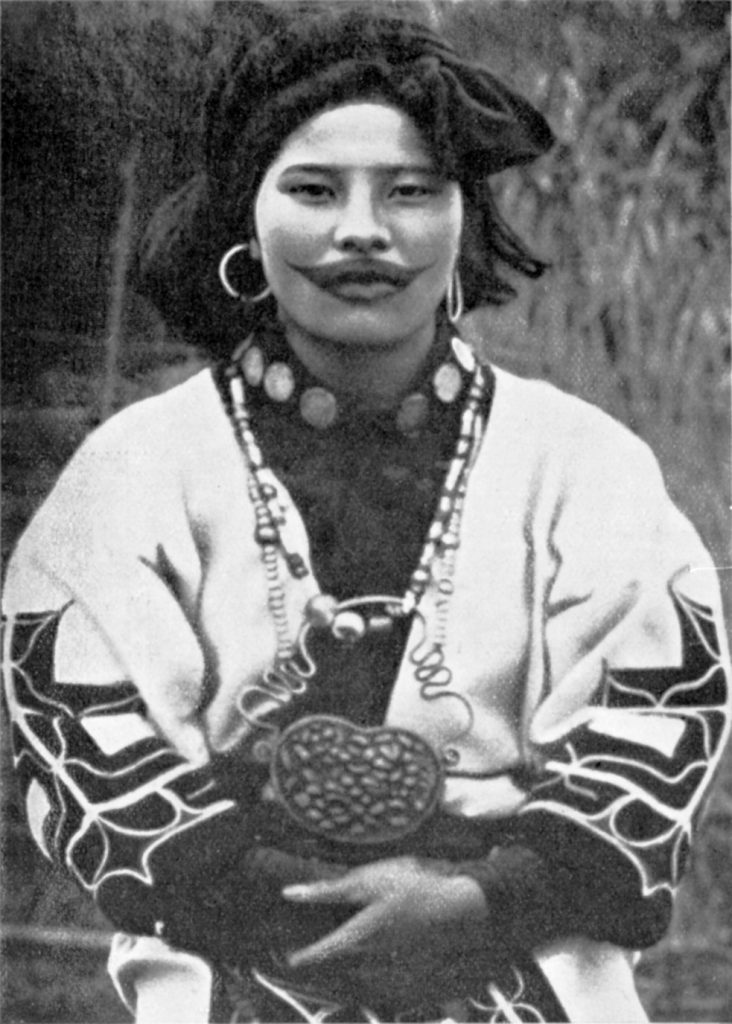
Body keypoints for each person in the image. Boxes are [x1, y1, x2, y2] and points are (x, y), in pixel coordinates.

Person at [2, 5, 729, 1022]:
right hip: (225, 966)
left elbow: (656, 719)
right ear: (246, 218)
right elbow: (89, 738)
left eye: (410, 191)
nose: (361, 229)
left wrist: (480, 902)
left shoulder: (585, 466)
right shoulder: (134, 470)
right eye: (313, 189)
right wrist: (299, 906)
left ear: (464, 218)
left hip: (531, 969)